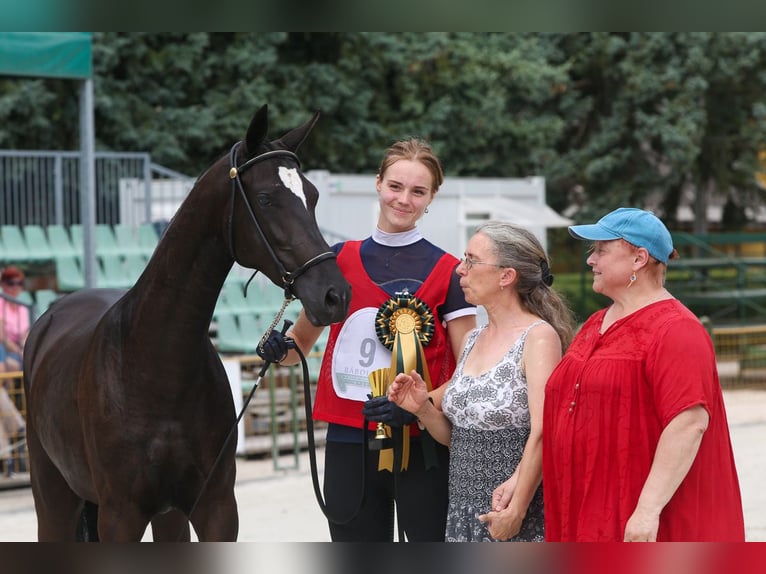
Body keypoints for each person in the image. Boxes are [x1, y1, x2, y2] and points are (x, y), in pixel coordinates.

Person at [257, 137, 477, 541]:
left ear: (431, 199)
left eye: (418, 191)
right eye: (395, 186)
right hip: (348, 438)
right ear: (378, 184)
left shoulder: (450, 272)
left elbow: (469, 371)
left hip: (420, 444)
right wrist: (278, 348)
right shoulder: (338, 260)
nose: (403, 199)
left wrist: (421, 406)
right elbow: (299, 346)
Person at [543, 207, 745, 542]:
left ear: (639, 258)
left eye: (601, 250)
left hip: (641, 518)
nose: (591, 260)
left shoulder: (677, 330)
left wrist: (647, 510)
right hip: (587, 509)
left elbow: (688, 423)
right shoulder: (595, 324)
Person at [387, 221, 575, 541]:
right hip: (463, 513)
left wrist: (516, 510)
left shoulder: (538, 337)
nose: (461, 269)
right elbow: (459, 439)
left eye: (472, 260)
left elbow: (546, 432)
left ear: (506, 276)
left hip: (514, 514)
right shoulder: (474, 339)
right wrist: (422, 409)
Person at [0, 266, 30, 372]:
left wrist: (24, 351)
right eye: (11, 283)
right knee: (13, 365)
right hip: (4, 351)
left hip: (17, 351)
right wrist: (19, 351)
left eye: (20, 283)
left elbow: (25, 335)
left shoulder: (23, 308)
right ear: (2, 284)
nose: (16, 287)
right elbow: (2, 338)